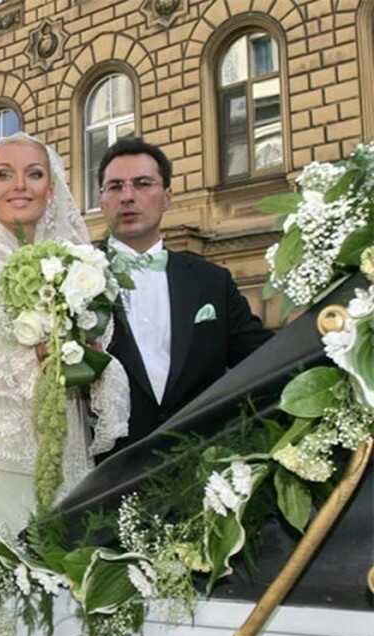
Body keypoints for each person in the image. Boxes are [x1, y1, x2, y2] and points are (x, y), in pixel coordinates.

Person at [0, 133, 129, 532]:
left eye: (33, 174)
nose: (19, 185)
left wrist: (89, 359)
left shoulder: (76, 267)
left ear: (51, 189)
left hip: (68, 456)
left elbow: (89, 364)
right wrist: (24, 366)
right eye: (4, 174)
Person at [97, 137, 272, 457]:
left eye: (142, 183)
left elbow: (264, 359)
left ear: (167, 198)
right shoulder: (72, 278)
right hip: (104, 477)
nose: (128, 196)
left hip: (198, 469)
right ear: (102, 201)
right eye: (115, 186)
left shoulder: (212, 282)